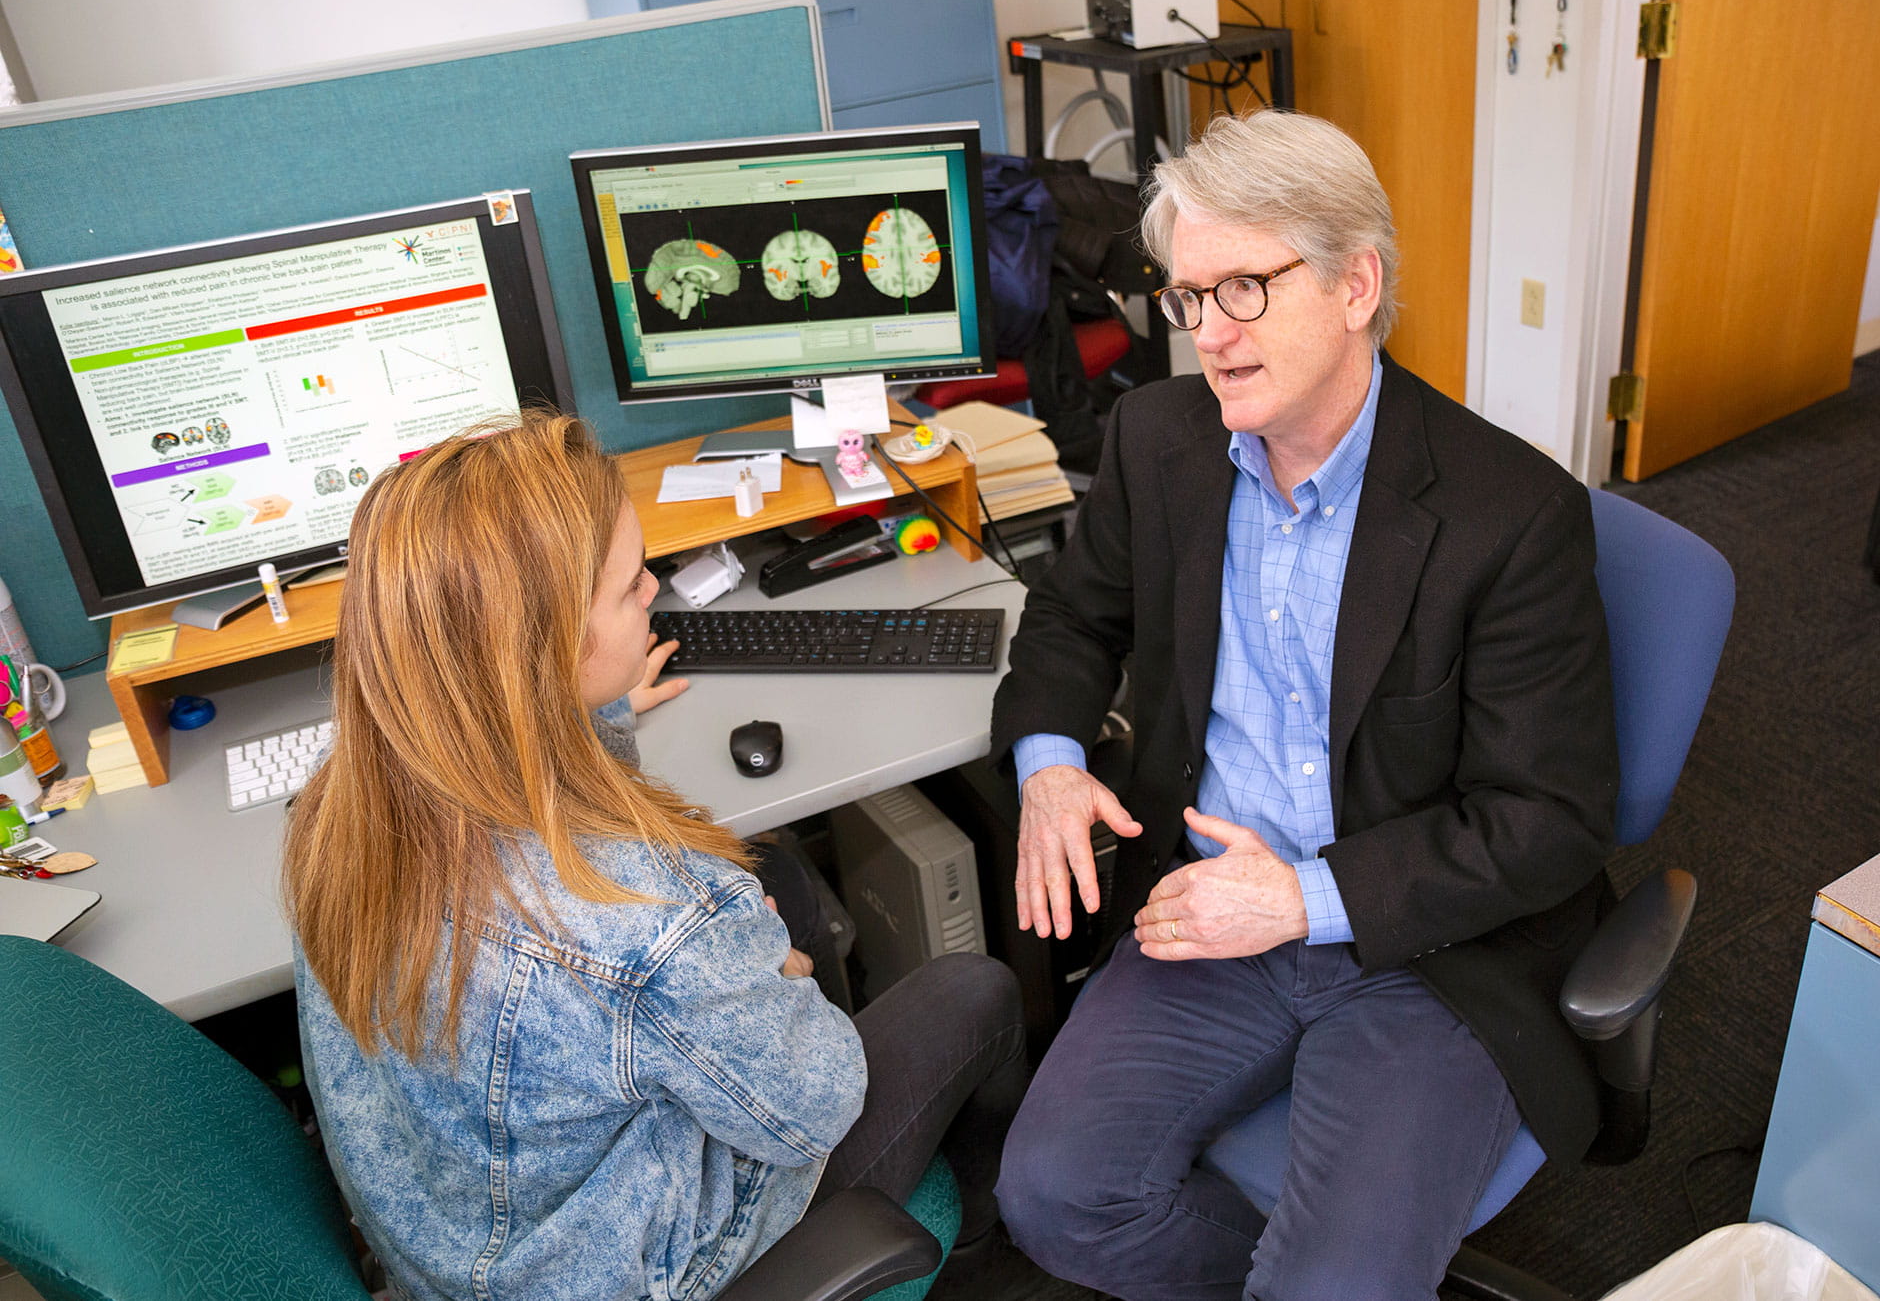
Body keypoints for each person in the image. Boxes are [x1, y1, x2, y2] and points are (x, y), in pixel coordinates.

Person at [988, 112, 1620, 1301]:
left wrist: (1298, 896)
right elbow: (1075, 619)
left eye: (1242, 290)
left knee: (1333, 1281)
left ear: (1353, 285)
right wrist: (1052, 764)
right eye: (1186, 299)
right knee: (1052, 1197)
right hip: (1202, 908)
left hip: (1425, 941)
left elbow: (1548, 819)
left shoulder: (1510, 515)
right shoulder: (1155, 441)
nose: (1209, 338)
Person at [284, 412, 1025, 1301]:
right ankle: (987, 1257)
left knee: (783, 875)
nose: (655, 590)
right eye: (629, 583)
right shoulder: (654, 925)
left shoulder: (339, 808)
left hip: (460, 1245)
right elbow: (819, 1102)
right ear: (539, 649)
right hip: (627, 1272)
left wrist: (586, 699)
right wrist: (774, 980)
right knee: (975, 992)